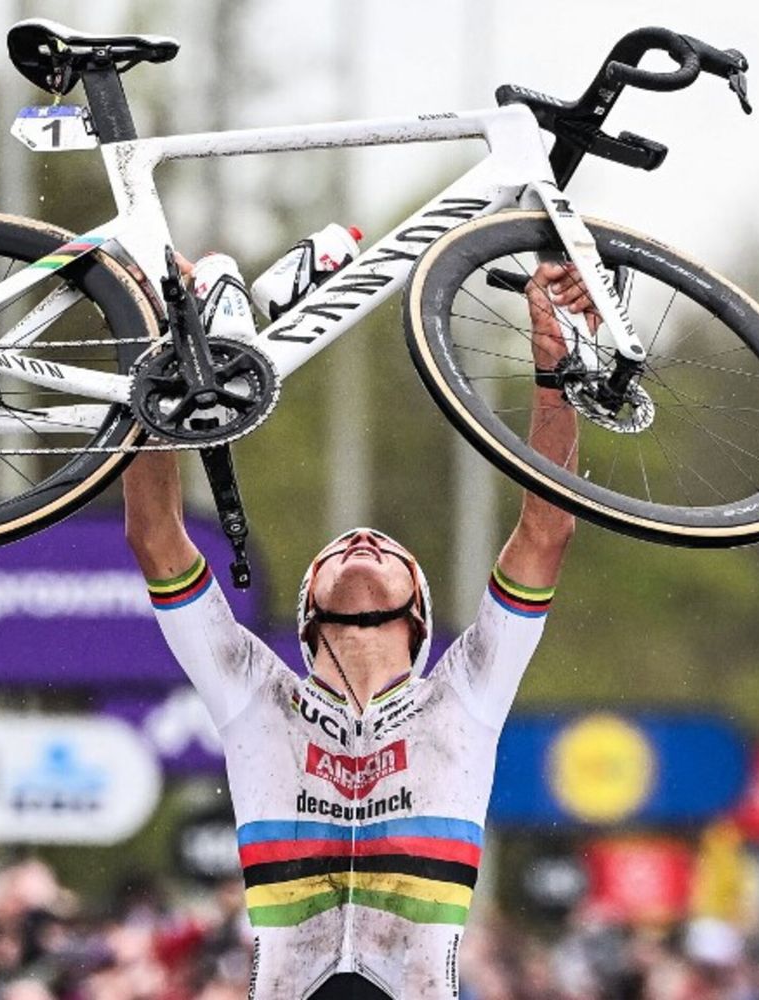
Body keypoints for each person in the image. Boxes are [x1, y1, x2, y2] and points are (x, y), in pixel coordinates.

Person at [124, 259, 591, 999]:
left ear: (418, 614)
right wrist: (155, 375)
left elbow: (547, 530)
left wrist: (552, 367)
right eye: (342, 549)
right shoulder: (254, 692)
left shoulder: (465, 691)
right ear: (309, 611)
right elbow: (156, 535)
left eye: (382, 549)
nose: (362, 543)